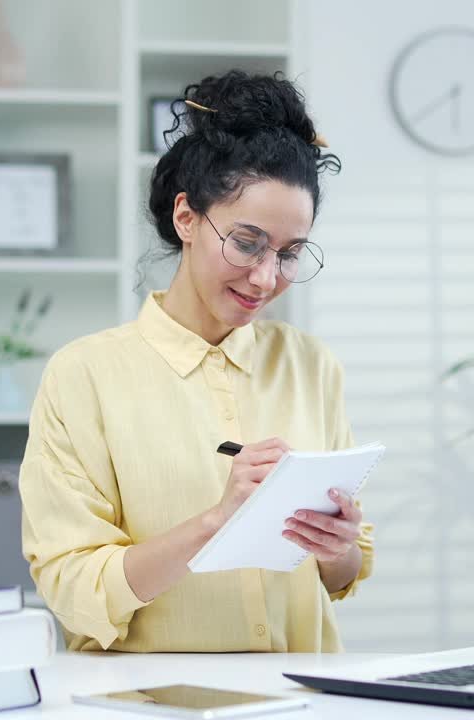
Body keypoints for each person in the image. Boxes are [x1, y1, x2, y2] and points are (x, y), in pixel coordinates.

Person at [19, 70, 372, 653]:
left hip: (302, 698)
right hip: (148, 702)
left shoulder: (311, 365)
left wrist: (339, 548)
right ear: (186, 218)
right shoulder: (84, 376)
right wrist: (218, 520)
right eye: (246, 242)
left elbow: (340, 577)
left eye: (289, 253)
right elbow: (71, 586)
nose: (266, 278)